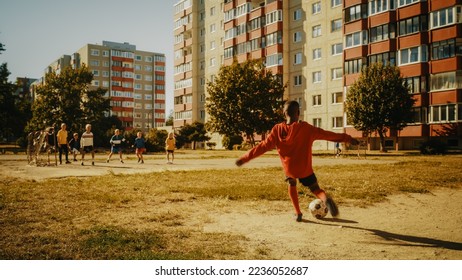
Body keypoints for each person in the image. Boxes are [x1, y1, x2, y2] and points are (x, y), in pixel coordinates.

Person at [236, 100, 359, 222]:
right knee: (315, 189)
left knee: (291, 183)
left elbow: (262, 147)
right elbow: (328, 135)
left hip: (290, 169)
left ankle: (298, 213)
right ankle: (325, 199)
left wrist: (245, 158)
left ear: (284, 114)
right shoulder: (306, 128)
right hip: (305, 168)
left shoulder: (277, 130)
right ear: (298, 113)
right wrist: (347, 138)